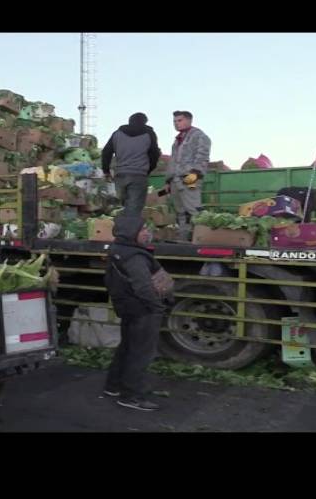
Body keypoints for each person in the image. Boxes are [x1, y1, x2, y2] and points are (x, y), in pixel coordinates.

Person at [103, 216, 172, 411]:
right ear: (131, 233)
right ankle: (131, 396)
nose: (147, 233)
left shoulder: (119, 250)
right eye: (143, 230)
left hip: (128, 307)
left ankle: (113, 386)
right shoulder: (135, 257)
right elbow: (143, 287)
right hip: (143, 310)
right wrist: (157, 307)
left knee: (127, 347)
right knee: (141, 353)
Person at [101, 112, 161, 216]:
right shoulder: (149, 134)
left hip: (120, 176)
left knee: (118, 208)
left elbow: (106, 152)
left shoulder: (117, 134)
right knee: (134, 209)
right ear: (144, 122)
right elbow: (154, 154)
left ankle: (114, 230)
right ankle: (130, 230)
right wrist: (148, 170)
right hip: (139, 176)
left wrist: (106, 171)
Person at [165, 111, 211, 241]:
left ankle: (201, 238)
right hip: (175, 179)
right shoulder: (177, 140)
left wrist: (195, 174)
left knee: (194, 210)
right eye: (174, 121)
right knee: (180, 212)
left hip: (190, 178)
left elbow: (203, 156)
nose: (176, 124)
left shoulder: (199, 136)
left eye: (179, 120)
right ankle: (183, 238)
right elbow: (172, 160)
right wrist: (168, 181)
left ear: (189, 120)